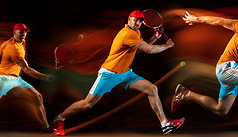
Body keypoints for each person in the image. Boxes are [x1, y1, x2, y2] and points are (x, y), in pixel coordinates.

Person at [50, 10, 183, 136]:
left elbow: (139, 49)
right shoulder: (128, 33)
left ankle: (165, 124)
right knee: (87, 104)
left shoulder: (136, 33)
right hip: (109, 74)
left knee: (152, 89)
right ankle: (59, 119)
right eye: (136, 20)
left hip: (125, 74)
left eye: (140, 22)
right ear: (129, 19)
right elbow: (149, 50)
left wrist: (154, 38)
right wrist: (167, 45)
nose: (137, 23)